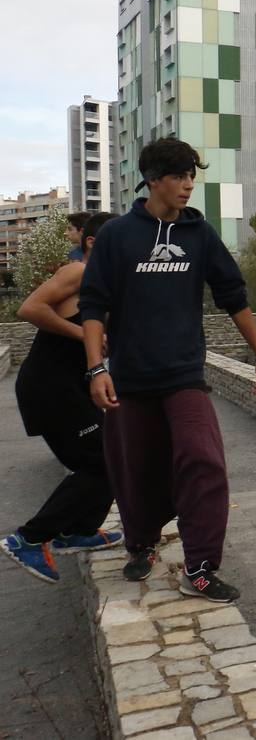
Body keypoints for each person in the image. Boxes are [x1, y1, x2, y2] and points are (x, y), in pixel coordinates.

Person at [80, 137, 256, 604]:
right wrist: (95, 369)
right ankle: (141, 544)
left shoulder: (199, 235)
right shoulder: (117, 235)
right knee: (135, 469)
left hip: (184, 374)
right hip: (129, 377)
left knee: (203, 460)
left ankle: (200, 567)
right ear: (153, 180)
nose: (188, 185)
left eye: (192, 176)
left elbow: (233, 296)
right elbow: (93, 304)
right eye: (178, 177)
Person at [2, 213, 121, 583]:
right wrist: (81, 333)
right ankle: (28, 539)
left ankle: (79, 531)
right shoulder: (78, 272)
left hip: (72, 387)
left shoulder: (106, 284)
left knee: (114, 455)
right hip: (48, 387)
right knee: (97, 462)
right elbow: (29, 309)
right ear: (92, 243)